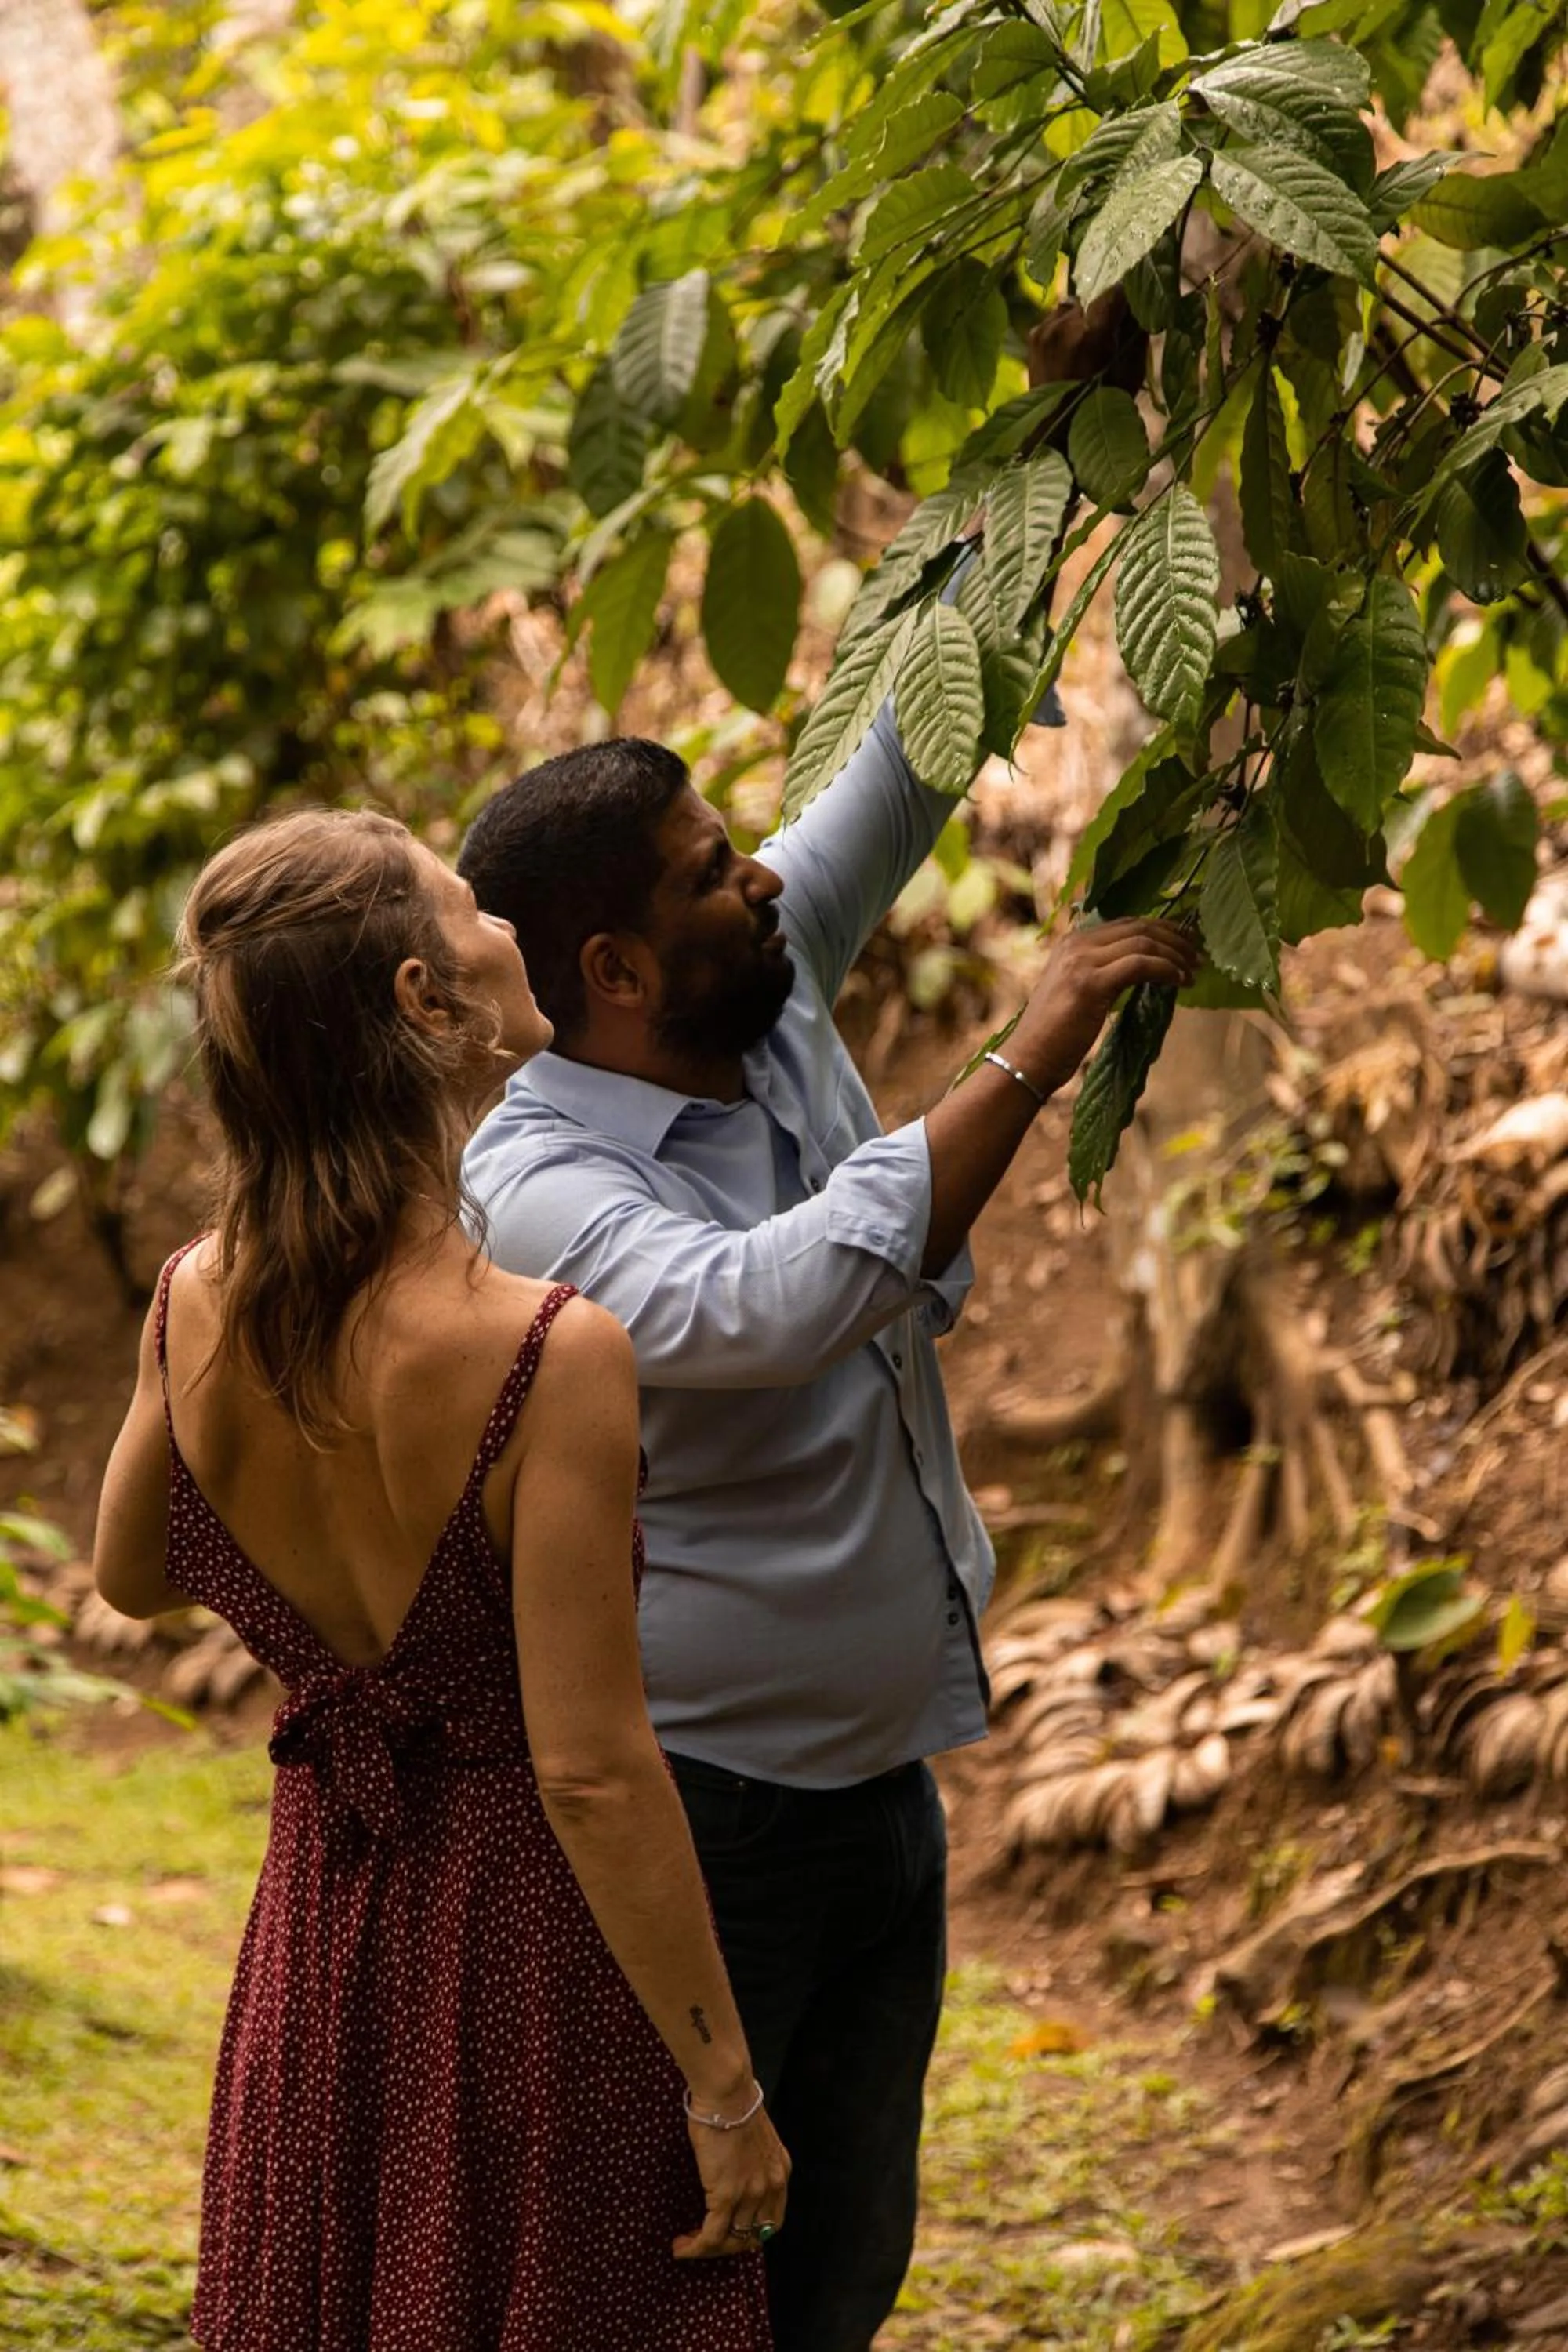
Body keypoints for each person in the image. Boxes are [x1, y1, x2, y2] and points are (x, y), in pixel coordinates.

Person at [458, 686, 1197, 2347]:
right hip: (706, 1826)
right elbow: (760, 1308)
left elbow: (909, 751)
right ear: (617, 971)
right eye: (713, 871)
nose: (768, 881)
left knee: (842, 2267)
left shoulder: (749, 990)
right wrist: (1028, 1045)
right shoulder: (538, 1184)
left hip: (878, 1800)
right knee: (664, 2265)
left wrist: (1018, 510)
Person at [92, 807, 787, 2352]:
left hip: (319, 1952)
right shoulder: (551, 1353)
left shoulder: (200, 1301)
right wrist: (724, 2087)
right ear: (425, 1000)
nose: (500, 929)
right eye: (472, 910)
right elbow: (592, 1772)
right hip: (529, 1981)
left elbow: (131, 1571)